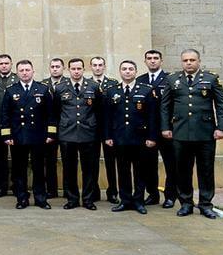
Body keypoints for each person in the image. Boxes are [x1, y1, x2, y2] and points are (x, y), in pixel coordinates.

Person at [161, 49, 223, 219]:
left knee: (206, 170)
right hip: (180, 133)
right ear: (181, 62)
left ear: (199, 61)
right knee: (183, 170)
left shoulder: (211, 78)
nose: (188, 63)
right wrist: (165, 127)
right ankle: (186, 203)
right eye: (185, 60)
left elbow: (221, 105)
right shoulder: (172, 79)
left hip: (205, 133)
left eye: (192, 60)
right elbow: (165, 106)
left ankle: (206, 204)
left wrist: (222, 127)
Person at [103, 61, 157, 214]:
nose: (127, 72)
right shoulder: (112, 91)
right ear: (120, 72)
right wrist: (108, 136)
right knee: (123, 170)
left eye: (131, 69)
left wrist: (152, 137)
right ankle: (125, 200)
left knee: (140, 171)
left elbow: (153, 116)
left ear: (136, 71)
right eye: (124, 69)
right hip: (120, 138)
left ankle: (139, 201)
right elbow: (107, 117)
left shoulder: (146, 90)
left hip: (140, 139)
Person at [1, 60, 54, 209]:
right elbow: (5, 115)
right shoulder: (11, 90)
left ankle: (40, 198)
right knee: (19, 169)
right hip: (18, 136)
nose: (25, 73)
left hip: (39, 136)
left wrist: (51, 133)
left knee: (38, 168)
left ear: (33, 72)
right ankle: (22, 198)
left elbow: (50, 114)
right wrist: (7, 135)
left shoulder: (43, 89)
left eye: (27, 70)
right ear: (17, 73)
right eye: (22, 70)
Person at [51, 58, 102, 210]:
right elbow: (56, 111)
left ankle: (88, 199)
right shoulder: (60, 87)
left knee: (90, 169)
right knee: (69, 169)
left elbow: (99, 110)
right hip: (68, 134)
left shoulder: (93, 86)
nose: (76, 71)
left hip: (89, 134)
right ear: (68, 70)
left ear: (84, 69)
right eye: (73, 69)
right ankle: (72, 199)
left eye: (79, 68)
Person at [136, 49, 176, 208]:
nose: (152, 61)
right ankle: (152, 194)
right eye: (149, 58)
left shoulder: (171, 79)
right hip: (146, 131)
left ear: (161, 60)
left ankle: (170, 196)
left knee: (170, 165)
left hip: (167, 129)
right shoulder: (140, 80)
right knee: (148, 165)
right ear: (145, 61)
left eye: (156, 58)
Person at [89, 56, 119, 204]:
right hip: (92, 128)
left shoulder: (113, 84)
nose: (98, 68)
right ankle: (93, 191)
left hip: (109, 128)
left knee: (110, 161)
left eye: (100, 65)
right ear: (91, 67)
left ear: (104, 66)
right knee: (92, 161)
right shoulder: (86, 84)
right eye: (95, 65)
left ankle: (112, 191)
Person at [0, 54, 18, 198]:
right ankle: (1, 187)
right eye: (1, 63)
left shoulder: (18, 79)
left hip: (15, 126)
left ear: (11, 64)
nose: (4, 65)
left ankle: (16, 186)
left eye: (6, 63)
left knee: (16, 157)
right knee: (0, 158)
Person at [42, 57, 65, 198]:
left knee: (68, 160)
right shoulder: (43, 85)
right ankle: (51, 190)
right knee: (49, 160)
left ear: (63, 68)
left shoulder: (69, 84)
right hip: (49, 128)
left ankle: (68, 189)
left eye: (58, 66)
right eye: (52, 66)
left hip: (66, 127)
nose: (55, 69)